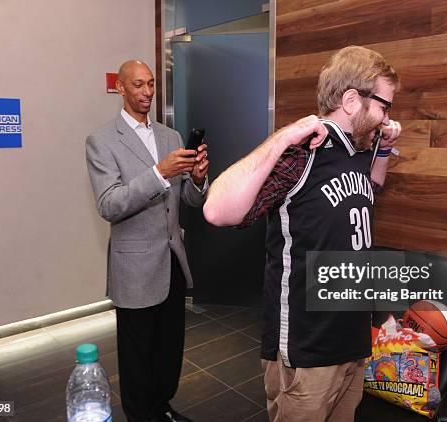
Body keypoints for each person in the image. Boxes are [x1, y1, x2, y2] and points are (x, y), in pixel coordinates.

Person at [203, 46, 401, 421]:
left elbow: (370, 191)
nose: (386, 118)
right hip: (309, 347)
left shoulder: (358, 149)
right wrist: (281, 138)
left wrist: (385, 148)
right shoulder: (301, 151)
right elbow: (217, 211)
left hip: (353, 338)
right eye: (384, 107)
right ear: (351, 100)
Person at [86, 60, 208, 422]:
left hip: (172, 259)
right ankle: (141, 415)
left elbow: (189, 199)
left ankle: (162, 407)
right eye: (138, 85)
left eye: (151, 84)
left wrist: (199, 178)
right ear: (121, 89)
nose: (147, 93)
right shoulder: (102, 141)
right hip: (134, 266)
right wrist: (159, 173)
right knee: (138, 354)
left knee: (170, 348)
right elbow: (110, 203)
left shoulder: (170, 137)